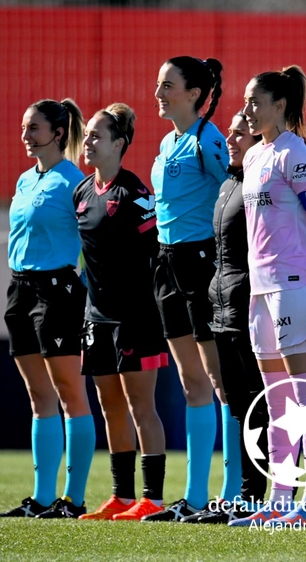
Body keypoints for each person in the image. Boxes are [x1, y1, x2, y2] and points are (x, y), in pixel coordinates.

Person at [227, 66, 306, 529]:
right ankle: (279, 497)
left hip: (296, 288)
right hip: (262, 291)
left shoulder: (294, 154)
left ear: (280, 106)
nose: (248, 109)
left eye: (256, 101)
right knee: (276, 402)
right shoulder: (255, 157)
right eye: (247, 101)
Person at [143, 57, 234, 522]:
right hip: (167, 264)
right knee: (191, 382)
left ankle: (233, 492)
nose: (158, 92)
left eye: (168, 85)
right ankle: (195, 498)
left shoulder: (208, 140)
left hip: (201, 265)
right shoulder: (166, 141)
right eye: (158, 84)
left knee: (221, 383)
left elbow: (233, 200)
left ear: (195, 93)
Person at [72, 103, 171, 521]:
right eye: (88, 134)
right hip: (97, 318)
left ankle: (153, 498)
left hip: (136, 319)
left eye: (97, 135)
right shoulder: (80, 192)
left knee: (140, 407)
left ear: (119, 144)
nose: (89, 141)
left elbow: (159, 253)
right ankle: (122, 496)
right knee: (110, 406)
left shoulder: (135, 194)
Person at [0, 98, 95, 520]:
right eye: (24, 127)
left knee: (71, 394)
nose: (25, 135)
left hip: (57, 291)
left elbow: (94, 242)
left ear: (57, 133)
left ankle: (72, 500)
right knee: (39, 397)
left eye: (33, 128)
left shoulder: (74, 182)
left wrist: (84, 289)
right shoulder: (24, 180)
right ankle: (40, 498)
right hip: (20, 291)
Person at [183, 112, 270, 524]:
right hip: (221, 304)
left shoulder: (261, 183)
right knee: (238, 403)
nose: (230, 139)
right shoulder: (229, 183)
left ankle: (265, 496)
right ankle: (243, 496)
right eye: (231, 132)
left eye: (239, 132)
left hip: (250, 303)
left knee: (258, 403)